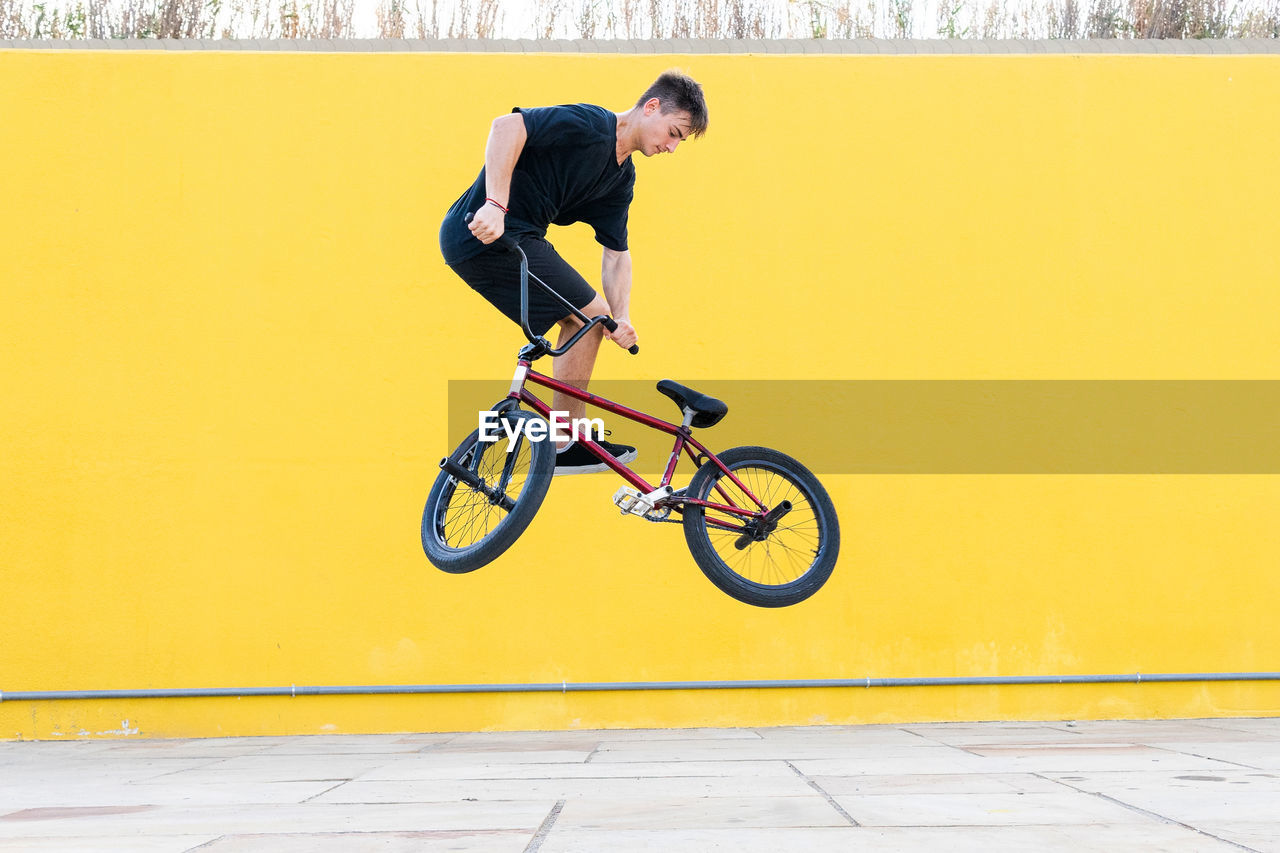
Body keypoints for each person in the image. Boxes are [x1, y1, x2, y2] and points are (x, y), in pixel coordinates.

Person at [439, 70, 708, 475]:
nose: (671, 147)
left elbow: (617, 254)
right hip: (485, 229)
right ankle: (565, 442)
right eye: (672, 133)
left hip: (512, 242)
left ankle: (567, 436)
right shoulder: (591, 125)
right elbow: (506, 126)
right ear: (651, 107)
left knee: (591, 320)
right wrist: (495, 202)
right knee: (587, 316)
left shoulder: (620, 180)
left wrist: (622, 317)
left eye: (678, 142)